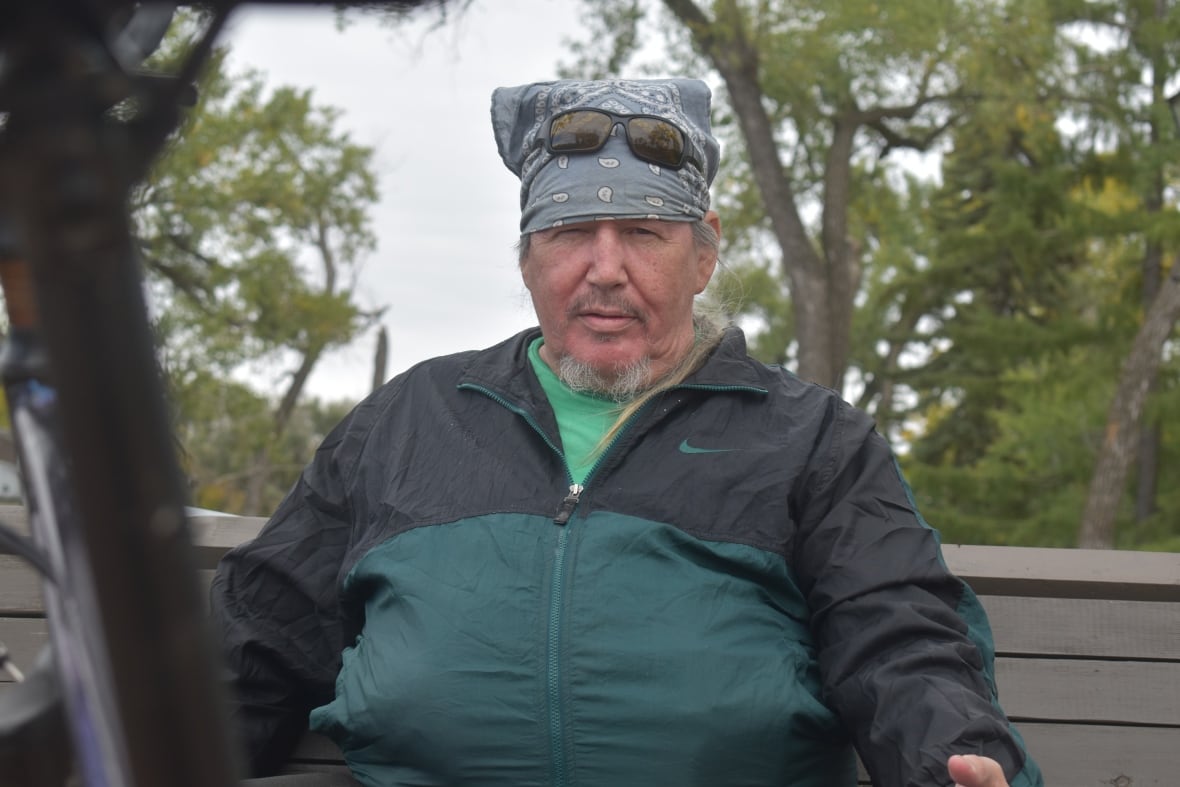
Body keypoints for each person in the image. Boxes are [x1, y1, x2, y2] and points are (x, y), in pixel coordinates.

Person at [210, 78, 1043, 787]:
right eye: (571, 233)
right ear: (529, 258)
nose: (605, 268)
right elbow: (262, 634)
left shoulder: (811, 437)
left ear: (703, 254)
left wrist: (952, 753)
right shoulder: (408, 421)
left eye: (644, 234)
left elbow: (897, 629)